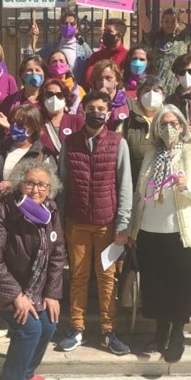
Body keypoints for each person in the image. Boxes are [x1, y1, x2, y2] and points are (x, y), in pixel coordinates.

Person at [0, 160, 66, 380]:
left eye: (43, 185)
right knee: (30, 329)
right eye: (30, 183)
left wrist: (52, 293)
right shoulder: (1, 210)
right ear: (19, 184)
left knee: (49, 323)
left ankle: (26, 370)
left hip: (34, 288)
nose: (36, 190)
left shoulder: (51, 210)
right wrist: (16, 294)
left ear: (51, 189)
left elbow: (57, 254)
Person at [130, 105, 191, 363]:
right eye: (163, 124)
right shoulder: (151, 154)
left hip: (181, 233)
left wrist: (186, 187)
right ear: (156, 128)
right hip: (151, 232)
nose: (168, 128)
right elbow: (139, 193)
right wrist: (133, 228)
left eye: (173, 123)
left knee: (180, 288)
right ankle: (160, 332)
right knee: (156, 287)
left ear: (182, 126)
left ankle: (177, 334)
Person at [56, 90, 133, 355]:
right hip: (76, 222)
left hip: (107, 222)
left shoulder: (117, 142)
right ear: (83, 111)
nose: (97, 113)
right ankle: (76, 328)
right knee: (77, 277)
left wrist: (123, 224)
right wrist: (59, 219)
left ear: (109, 113)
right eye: (92, 108)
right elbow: (61, 183)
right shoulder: (70, 142)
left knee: (106, 278)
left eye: (102, 108)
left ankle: (108, 331)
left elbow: (125, 185)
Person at [0, 105, 52, 200]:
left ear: (33, 128)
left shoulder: (43, 155)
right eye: (13, 122)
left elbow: (50, 189)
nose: (15, 126)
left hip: (25, 210)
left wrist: (15, 186)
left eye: (20, 123)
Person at [29, 10, 93, 85]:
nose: (68, 26)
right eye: (65, 23)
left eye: (72, 24)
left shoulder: (84, 48)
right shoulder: (52, 48)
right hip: (56, 89)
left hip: (78, 91)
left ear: (77, 29)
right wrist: (32, 40)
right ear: (60, 27)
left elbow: (94, 66)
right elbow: (33, 60)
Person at [122, 80, 166, 185]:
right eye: (146, 91)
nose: (151, 94)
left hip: (166, 188)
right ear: (139, 96)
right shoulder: (126, 125)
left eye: (156, 90)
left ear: (163, 96)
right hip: (136, 186)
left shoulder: (172, 121)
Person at [39, 78, 85, 156]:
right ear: (43, 98)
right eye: (49, 95)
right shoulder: (37, 122)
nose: (54, 98)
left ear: (66, 99)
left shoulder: (77, 120)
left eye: (59, 95)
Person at [88, 59, 131, 131]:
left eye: (108, 78)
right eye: (99, 79)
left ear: (117, 80)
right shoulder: (87, 103)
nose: (103, 83)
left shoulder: (128, 104)